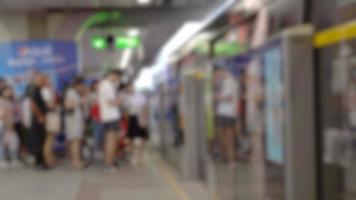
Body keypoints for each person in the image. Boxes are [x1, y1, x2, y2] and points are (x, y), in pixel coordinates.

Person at [98, 70, 122, 169]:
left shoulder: (104, 85)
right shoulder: (107, 86)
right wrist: (119, 100)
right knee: (111, 140)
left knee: (110, 139)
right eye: (117, 77)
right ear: (112, 75)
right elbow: (110, 103)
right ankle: (108, 163)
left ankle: (109, 161)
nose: (117, 80)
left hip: (107, 116)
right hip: (111, 116)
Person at [214, 66, 239, 164]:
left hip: (228, 113)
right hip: (225, 113)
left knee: (228, 137)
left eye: (220, 72)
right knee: (223, 136)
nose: (219, 74)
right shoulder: (227, 82)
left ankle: (230, 159)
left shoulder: (230, 82)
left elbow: (228, 97)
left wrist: (215, 97)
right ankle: (227, 157)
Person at [64, 77, 86, 169]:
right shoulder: (71, 92)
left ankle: (75, 160)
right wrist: (81, 101)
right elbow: (68, 105)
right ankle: (76, 162)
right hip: (73, 120)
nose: (83, 87)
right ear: (78, 85)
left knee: (75, 140)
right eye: (82, 85)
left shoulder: (74, 92)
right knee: (75, 140)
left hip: (75, 119)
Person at [124, 83, 149, 166]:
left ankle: (139, 156)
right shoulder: (125, 97)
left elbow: (144, 107)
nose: (130, 89)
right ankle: (133, 154)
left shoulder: (140, 96)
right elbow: (125, 110)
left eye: (131, 87)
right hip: (131, 118)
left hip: (140, 117)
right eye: (128, 88)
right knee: (129, 138)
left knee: (143, 138)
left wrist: (144, 119)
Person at [28, 73, 48, 169]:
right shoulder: (34, 90)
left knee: (41, 140)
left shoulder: (39, 90)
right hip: (37, 120)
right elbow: (32, 105)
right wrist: (40, 116)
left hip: (40, 119)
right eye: (43, 79)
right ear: (39, 80)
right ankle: (39, 163)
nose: (45, 81)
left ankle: (40, 161)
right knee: (39, 141)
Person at [0, 86, 21, 168]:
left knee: (13, 142)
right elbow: (2, 115)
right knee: (2, 143)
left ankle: (13, 159)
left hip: (9, 125)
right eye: (8, 91)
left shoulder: (9, 101)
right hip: (3, 125)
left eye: (10, 91)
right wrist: (8, 125)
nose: (10, 92)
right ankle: (2, 160)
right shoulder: (1, 101)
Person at [42, 76, 60, 168]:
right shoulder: (45, 91)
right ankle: (48, 160)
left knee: (51, 138)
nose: (50, 82)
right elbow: (49, 105)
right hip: (50, 115)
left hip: (51, 115)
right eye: (48, 80)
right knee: (49, 138)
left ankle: (50, 158)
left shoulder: (48, 90)